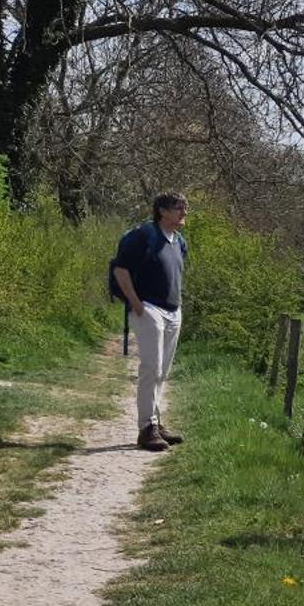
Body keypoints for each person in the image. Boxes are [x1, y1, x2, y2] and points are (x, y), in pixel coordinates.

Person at [111, 193, 189, 452]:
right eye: (179, 208)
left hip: (173, 311)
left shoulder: (179, 242)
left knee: (163, 372)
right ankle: (146, 429)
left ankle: (156, 423)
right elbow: (121, 269)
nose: (184, 212)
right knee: (151, 368)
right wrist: (135, 302)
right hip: (149, 309)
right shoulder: (143, 236)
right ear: (162, 211)